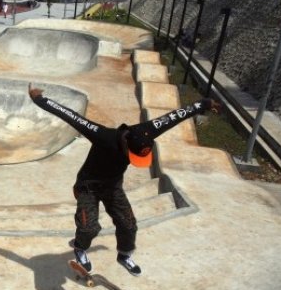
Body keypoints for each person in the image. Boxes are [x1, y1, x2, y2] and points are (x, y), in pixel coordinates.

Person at [28, 83, 219, 276]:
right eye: (132, 157)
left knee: (128, 224)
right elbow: (72, 117)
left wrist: (204, 104)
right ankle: (80, 248)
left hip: (112, 186)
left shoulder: (148, 131)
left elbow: (174, 117)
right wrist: (39, 99)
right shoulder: (102, 136)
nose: (133, 161)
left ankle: (124, 255)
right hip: (88, 186)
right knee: (89, 227)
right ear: (126, 143)